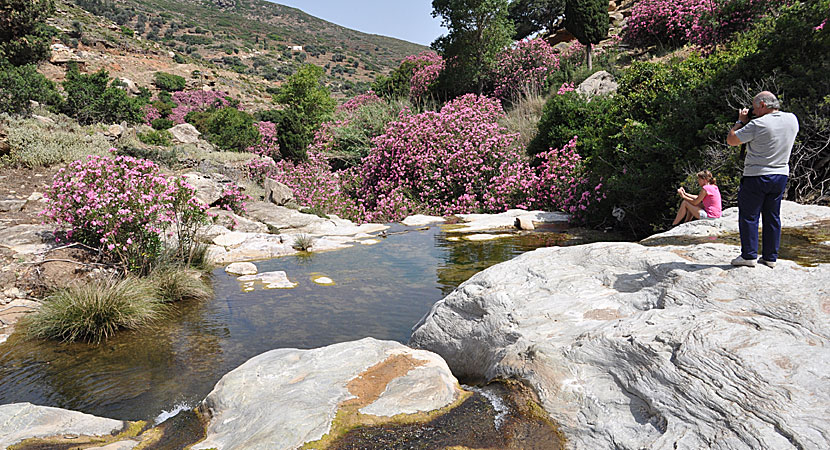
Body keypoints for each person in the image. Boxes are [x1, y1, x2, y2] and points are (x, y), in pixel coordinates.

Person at [726, 91, 799, 268]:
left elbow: (732, 140)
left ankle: (749, 255)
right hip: (780, 174)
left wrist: (740, 122)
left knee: (749, 216)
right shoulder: (792, 119)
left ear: (762, 105)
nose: (753, 110)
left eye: (754, 107)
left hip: (756, 175)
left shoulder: (758, 124)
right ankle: (770, 257)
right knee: (772, 216)